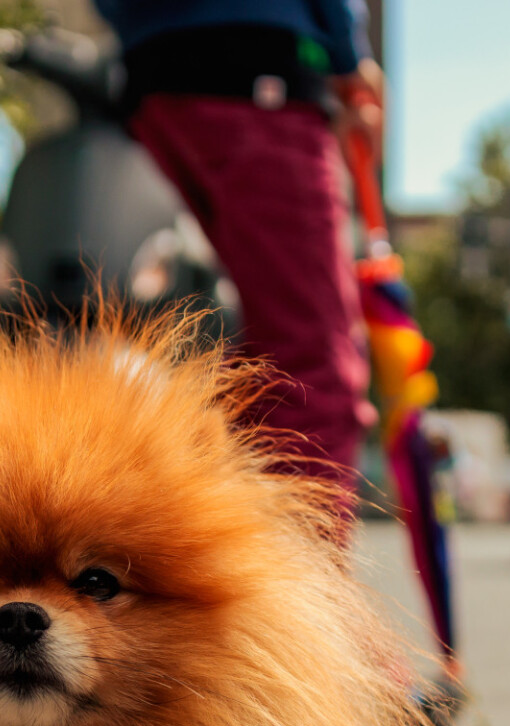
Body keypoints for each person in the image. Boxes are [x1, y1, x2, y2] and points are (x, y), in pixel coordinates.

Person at [92, 0, 384, 510]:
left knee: (225, 359)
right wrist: (349, 60)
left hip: (151, 82)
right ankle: (296, 586)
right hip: (261, 73)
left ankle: (227, 568)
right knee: (311, 369)